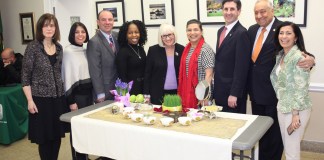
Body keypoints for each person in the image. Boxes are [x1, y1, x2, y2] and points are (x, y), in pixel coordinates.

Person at [247, 0, 315, 159]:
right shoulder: (251, 30)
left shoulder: (282, 28)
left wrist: (312, 60)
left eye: (263, 11)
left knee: (279, 140)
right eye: (256, 12)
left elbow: (301, 60)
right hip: (261, 95)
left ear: (272, 11)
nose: (259, 15)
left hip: (279, 99)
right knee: (263, 136)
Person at [21, 13, 67, 160]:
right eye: (46, 25)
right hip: (40, 100)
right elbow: (25, 77)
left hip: (57, 99)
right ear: (40, 27)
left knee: (56, 136)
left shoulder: (59, 48)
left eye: (52, 25)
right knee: (45, 138)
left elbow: (60, 73)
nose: (49, 28)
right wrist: (29, 100)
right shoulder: (33, 48)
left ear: (56, 28)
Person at [270, 21, 312, 160]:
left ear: (295, 38)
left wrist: (295, 113)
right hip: (283, 106)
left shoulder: (299, 57)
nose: (284, 36)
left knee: (291, 152)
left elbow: (301, 87)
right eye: (281, 33)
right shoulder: (281, 55)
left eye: (288, 33)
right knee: (288, 148)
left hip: (296, 110)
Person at [213, 0, 250, 114]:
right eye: (226, 9)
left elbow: (242, 67)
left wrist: (234, 93)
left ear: (238, 11)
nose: (228, 12)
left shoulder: (241, 33)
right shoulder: (221, 31)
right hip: (220, 91)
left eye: (232, 9)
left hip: (232, 94)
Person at [62, 22, 92, 160]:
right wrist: (71, 101)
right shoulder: (68, 51)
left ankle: (84, 157)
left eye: (83, 32)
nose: (80, 35)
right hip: (77, 97)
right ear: (72, 34)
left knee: (85, 130)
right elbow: (67, 78)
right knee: (77, 132)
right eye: (77, 32)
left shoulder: (85, 50)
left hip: (88, 96)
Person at [178, 19, 215, 110]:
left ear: (201, 31)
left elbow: (209, 75)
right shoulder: (187, 48)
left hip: (201, 95)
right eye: (189, 30)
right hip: (188, 92)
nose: (192, 33)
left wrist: (205, 96)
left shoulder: (205, 49)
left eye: (195, 29)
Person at [144, 23, 184, 105]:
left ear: (174, 35)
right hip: (157, 93)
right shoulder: (153, 50)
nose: (168, 38)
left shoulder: (182, 49)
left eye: (170, 35)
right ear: (160, 37)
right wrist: (146, 94)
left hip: (177, 94)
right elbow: (147, 74)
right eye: (164, 36)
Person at [87, 10, 119, 103]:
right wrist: (100, 93)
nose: (107, 22)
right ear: (98, 22)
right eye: (104, 20)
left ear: (113, 21)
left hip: (119, 89)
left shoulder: (117, 36)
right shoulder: (94, 42)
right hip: (104, 91)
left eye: (110, 19)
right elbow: (94, 70)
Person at [116, 20, 147, 95]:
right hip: (130, 91)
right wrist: (125, 94)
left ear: (141, 33)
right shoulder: (123, 52)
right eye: (130, 33)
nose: (134, 35)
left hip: (143, 88)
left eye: (136, 32)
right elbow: (122, 76)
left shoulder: (141, 49)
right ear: (125, 35)